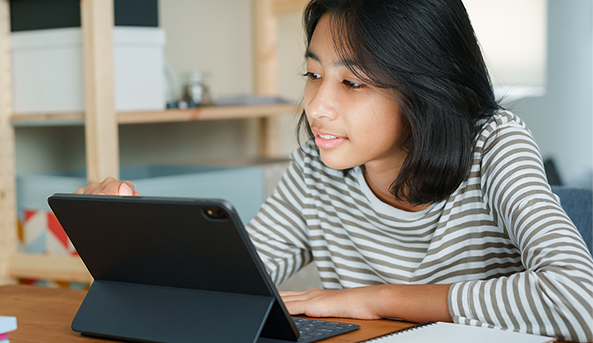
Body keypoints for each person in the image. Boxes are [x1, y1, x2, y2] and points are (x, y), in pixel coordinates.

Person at [76, 0, 593, 341]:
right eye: (313, 74)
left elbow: (577, 301)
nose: (316, 106)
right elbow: (235, 282)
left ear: (428, 89)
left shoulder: (496, 145)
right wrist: (129, 240)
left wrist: (370, 300)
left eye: (353, 83)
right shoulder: (317, 167)